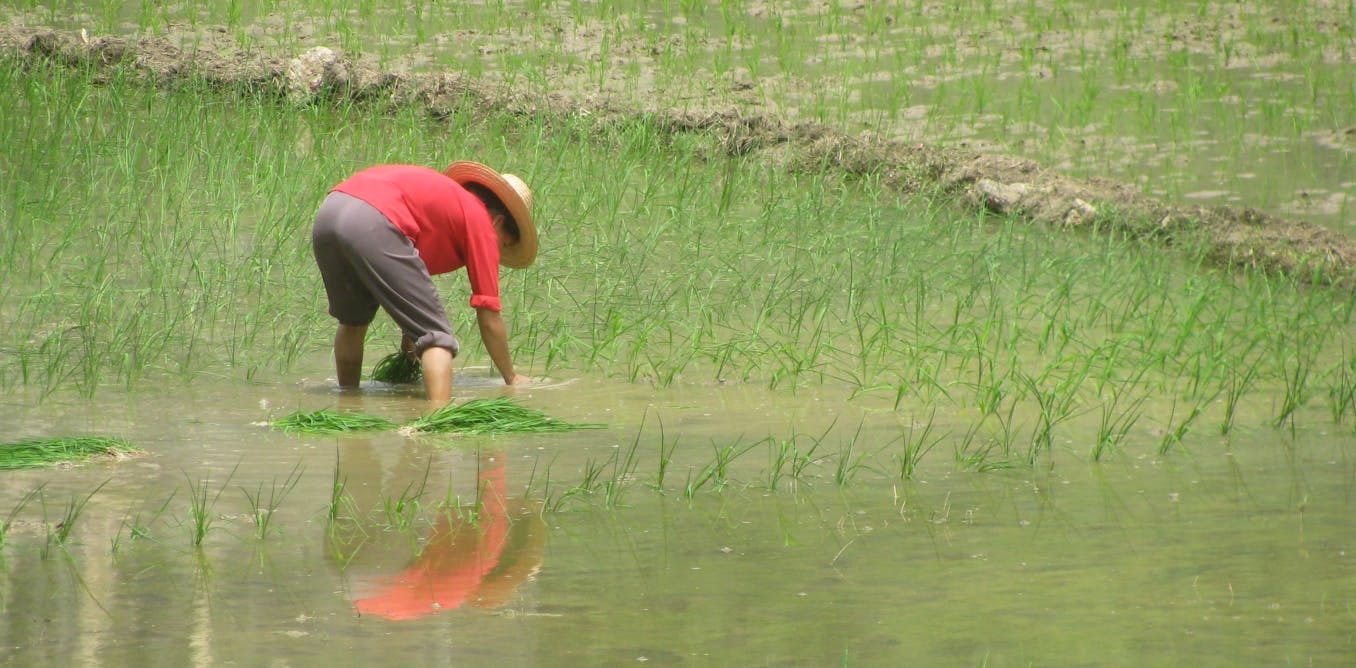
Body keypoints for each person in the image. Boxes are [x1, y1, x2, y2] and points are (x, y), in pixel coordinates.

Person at [312, 162, 536, 403]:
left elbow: (411, 297)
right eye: (503, 245)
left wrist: (408, 358)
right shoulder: (482, 223)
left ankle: (348, 406)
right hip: (375, 220)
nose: (497, 251)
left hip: (330, 211)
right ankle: (437, 421)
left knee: (353, 322)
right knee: (437, 336)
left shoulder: (447, 205)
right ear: (499, 223)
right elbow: (489, 317)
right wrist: (511, 378)